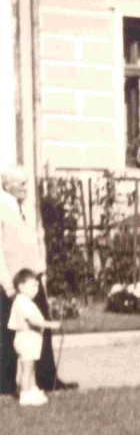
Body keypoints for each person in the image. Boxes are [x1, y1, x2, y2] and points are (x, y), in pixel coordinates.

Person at [0, 165, 75, 395]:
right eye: (21, 183)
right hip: (12, 282)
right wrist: (7, 285)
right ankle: (5, 384)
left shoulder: (30, 209)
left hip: (34, 279)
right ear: (7, 185)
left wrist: (42, 268)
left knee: (43, 328)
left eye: (26, 182)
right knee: (9, 332)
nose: (26, 188)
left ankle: (48, 379)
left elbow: (39, 238)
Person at [7, 268, 61, 406]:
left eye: (37, 286)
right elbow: (32, 320)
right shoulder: (22, 301)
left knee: (31, 368)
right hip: (26, 339)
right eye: (33, 286)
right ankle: (25, 394)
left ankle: (32, 389)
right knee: (27, 368)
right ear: (21, 286)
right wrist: (50, 325)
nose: (36, 289)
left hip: (31, 339)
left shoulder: (25, 300)